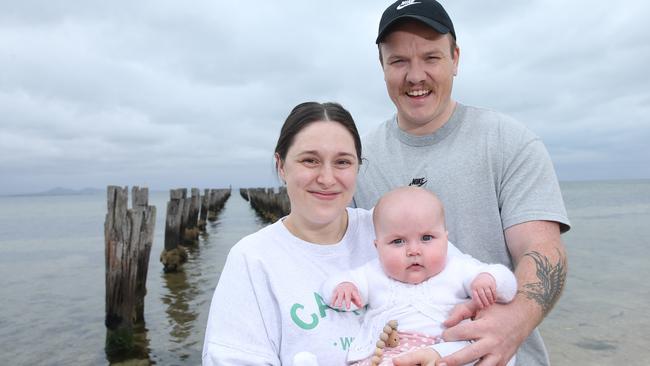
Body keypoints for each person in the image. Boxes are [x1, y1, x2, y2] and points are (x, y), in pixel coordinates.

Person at [353, 1, 571, 365]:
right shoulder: (360, 160)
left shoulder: (507, 141)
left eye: (431, 57)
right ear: (382, 66)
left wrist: (513, 322)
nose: (415, 75)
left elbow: (543, 250)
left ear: (455, 58)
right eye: (399, 61)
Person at [202, 102, 441, 365]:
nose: (327, 178)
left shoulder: (394, 232)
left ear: (357, 168)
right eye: (310, 160)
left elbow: (463, 286)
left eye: (342, 162)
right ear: (281, 166)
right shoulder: (253, 260)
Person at [322, 187, 517, 366]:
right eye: (398, 241)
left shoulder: (458, 268)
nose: (413, 251)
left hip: (444, 351)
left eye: (426, 238)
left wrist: (488, 280)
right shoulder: (373, 273)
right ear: (378, 247)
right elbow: (334, 288)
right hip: (388, 354)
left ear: (445, 239)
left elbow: (508, 286)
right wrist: (343, 287)